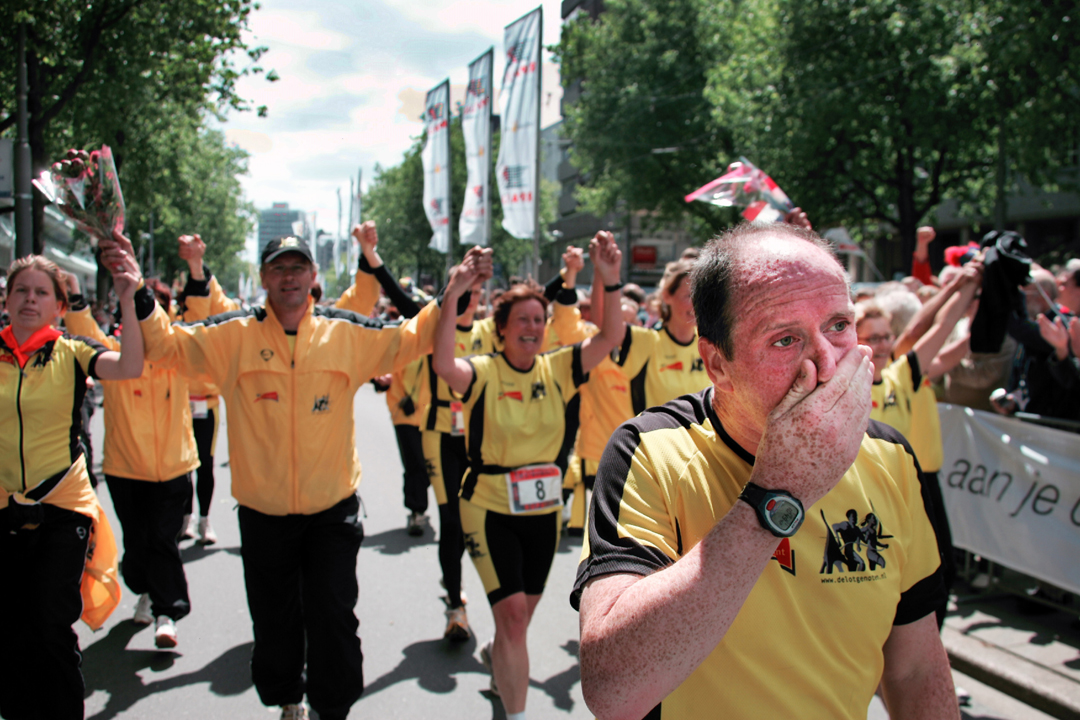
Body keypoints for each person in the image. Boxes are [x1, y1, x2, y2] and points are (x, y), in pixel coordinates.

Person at [98, 229, 490, 720]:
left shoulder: (343, 332)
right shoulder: (232, 335)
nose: (289, 277)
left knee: (333, 619)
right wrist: (132, 288)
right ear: (264, 277)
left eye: (298, 267)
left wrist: (452, 292)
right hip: (264, 517)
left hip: (332, 514)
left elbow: (408, 337)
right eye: (279, 268)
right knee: (275, 624)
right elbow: (167, 346)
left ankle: (333, 709)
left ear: (313, 276)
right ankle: (288, 699)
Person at [574, 222, 955, 720]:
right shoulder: (648, 450)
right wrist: (779, 491)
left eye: (839, 325)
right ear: (717, 364)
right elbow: (612, 692)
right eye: (785, 339)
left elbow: (915, 669)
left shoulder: (890, 456)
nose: (824, 359)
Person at [432, 231, 625, 720]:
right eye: (523, 319)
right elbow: (440, 363)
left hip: (543, 510)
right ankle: (515, 712)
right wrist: (455, 291)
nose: (533, 328)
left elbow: (610, 337)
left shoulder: (560, 368)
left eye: (539, 320)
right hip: (488, 506)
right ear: (501, 328)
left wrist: (609, 280)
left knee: (517, 619)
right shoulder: (481, 372)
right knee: (514, 617)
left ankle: (502, 663)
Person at [1, 250, 137, 720]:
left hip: (62, 508)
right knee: (11, 627)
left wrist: (128, 299)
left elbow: (130, 366)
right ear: (7, 297)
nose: (29, 300)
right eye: (21, 290)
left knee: (49, 621)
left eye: (41, 293)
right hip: (3, 508)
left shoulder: (72, 352)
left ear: (60, 305)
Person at [64, 271, 199, 648]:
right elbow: (84, 329)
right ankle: (144, 589)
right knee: (138, 545)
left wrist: (197, 270)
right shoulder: (115, 353)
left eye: (153, 309)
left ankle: (166, 612)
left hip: (173, 468)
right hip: (125, 470)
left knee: (162, 539)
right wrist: (75, 295)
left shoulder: (179, 355)